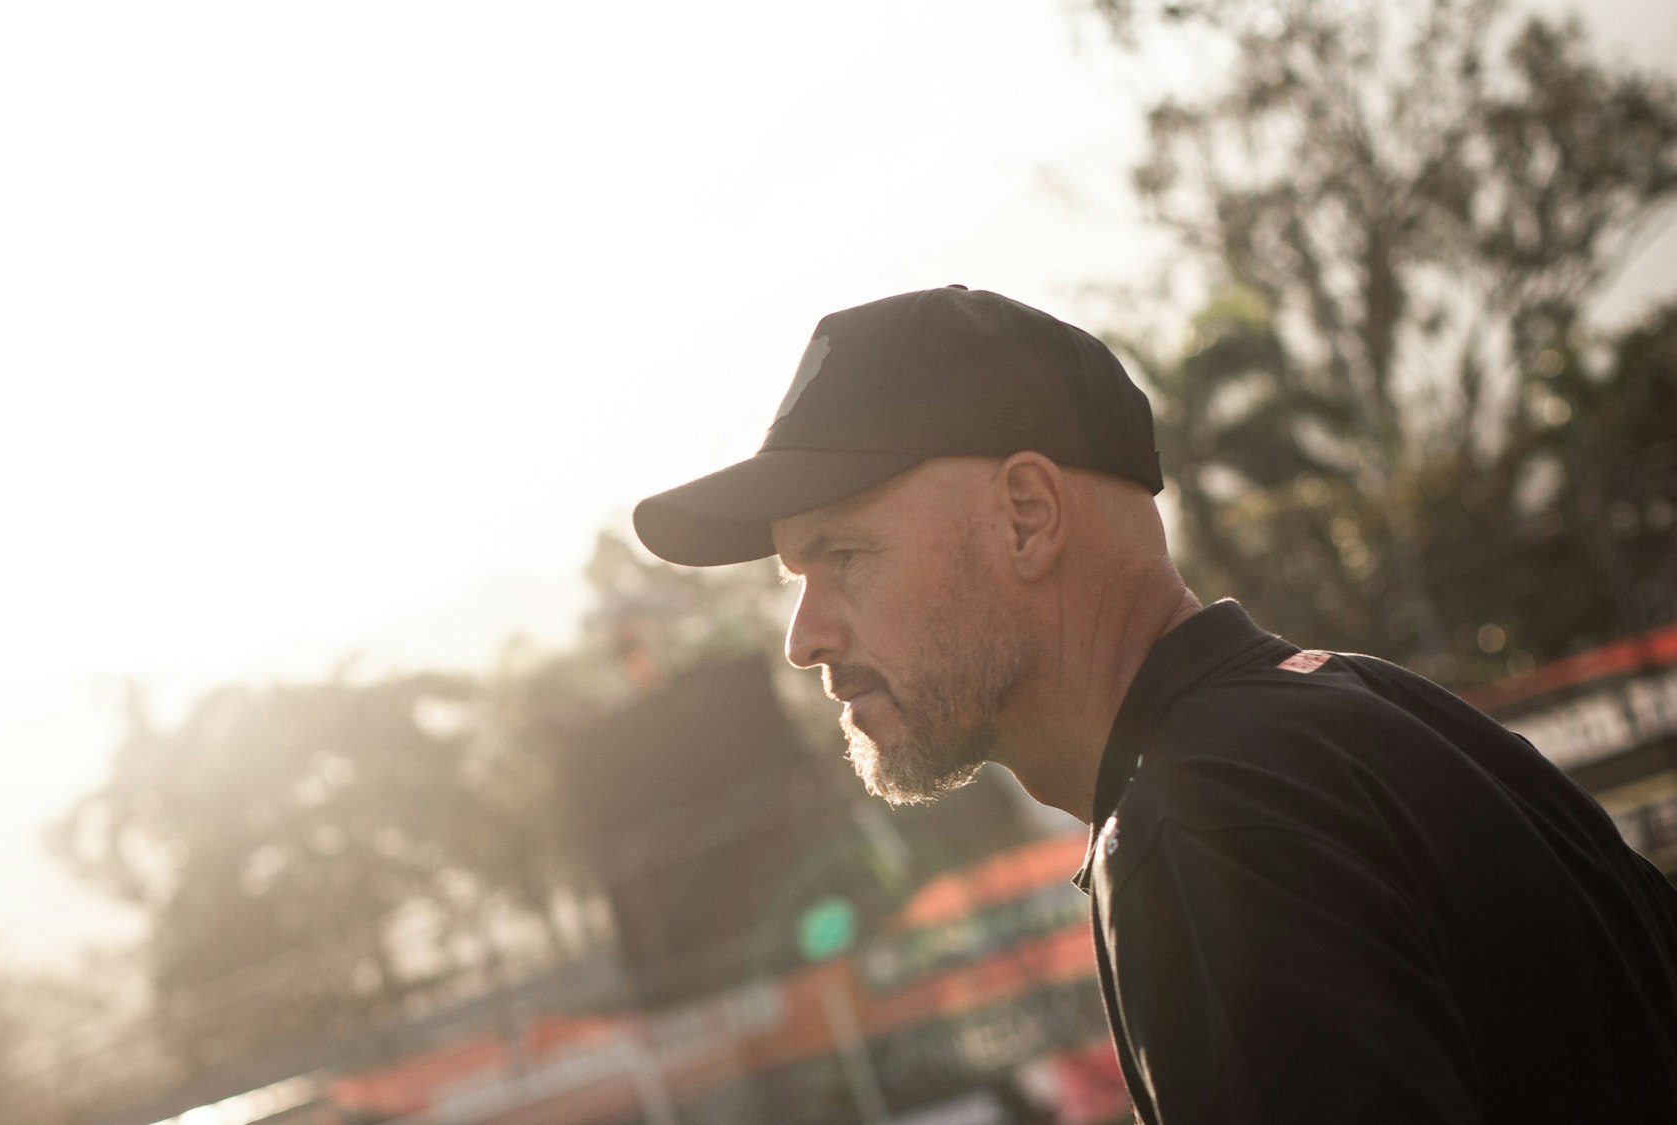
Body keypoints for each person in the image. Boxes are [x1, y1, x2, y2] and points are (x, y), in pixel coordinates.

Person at [632, 285, 1677, 1123]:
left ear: (1027, 517)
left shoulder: (1200, 824)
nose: (802, 636)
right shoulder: (1362, 711)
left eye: (844, 556)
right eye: (793, 580)